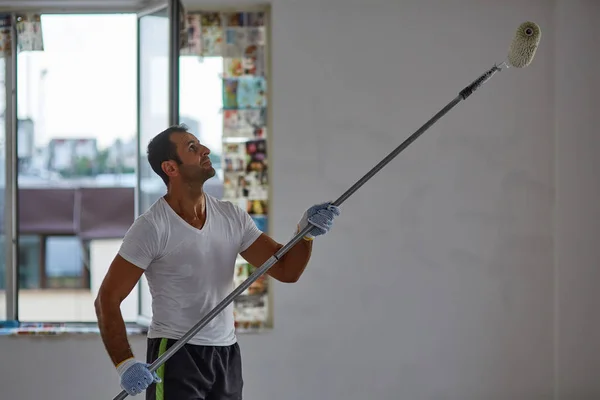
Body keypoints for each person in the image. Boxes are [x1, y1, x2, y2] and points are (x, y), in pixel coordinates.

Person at [94, 124, 340, 399]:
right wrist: (125, 364)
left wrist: (305, 233)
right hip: (176, 353)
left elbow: (286, 270)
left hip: (226, 354)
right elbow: (107, 298)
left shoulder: (231, 217)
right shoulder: (152, 227)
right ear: (170, 168)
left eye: (199, 144)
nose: (205, 150)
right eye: (191, 148)